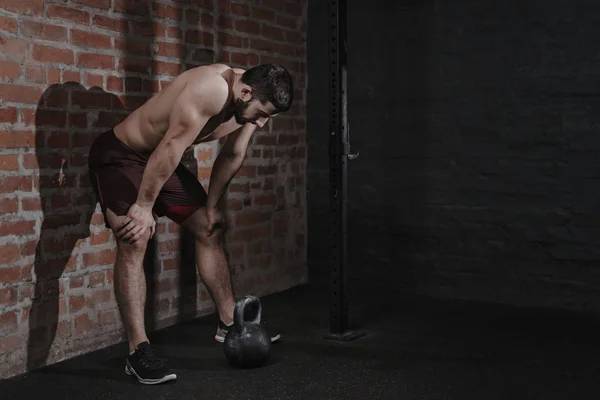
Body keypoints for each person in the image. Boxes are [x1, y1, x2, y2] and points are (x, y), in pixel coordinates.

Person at [87, 63, 293, 385]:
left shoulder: (250, 100)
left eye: (268, 117)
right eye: (262, 114)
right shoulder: (210, 89)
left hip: (159, 158)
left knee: (210, 227)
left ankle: (230, 323)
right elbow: (171, 147)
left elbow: (233, 154)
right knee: (135, 237)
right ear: (246, 92)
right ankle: (137, 351)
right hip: (123, 156)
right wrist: (143, 205)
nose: (262, 123)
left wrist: (211, 206)